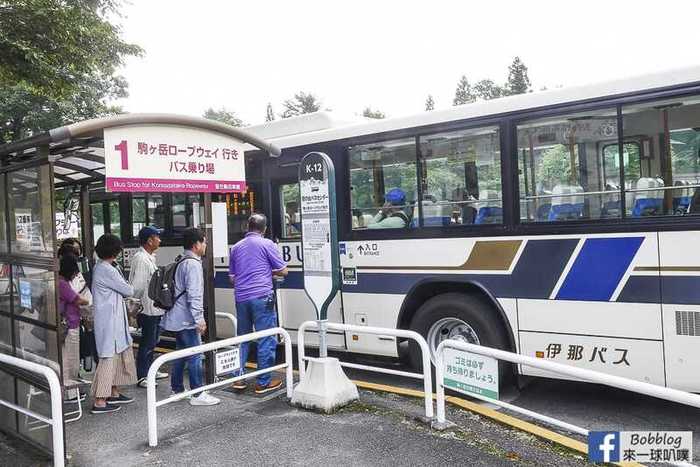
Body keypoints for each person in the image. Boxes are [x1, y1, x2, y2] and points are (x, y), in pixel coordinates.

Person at [160, 227, 220, 406]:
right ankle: (197, 393)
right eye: (204, 241)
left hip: (176, 317)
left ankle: (177, 389)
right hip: (186, 319)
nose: (206, 245)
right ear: (196, 245)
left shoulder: (181, 260)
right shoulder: (193, 264)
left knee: (180, 353)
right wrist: (199, 319)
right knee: (195, 354)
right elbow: (194, 295)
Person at [228, 214, 288, 394]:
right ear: (265, 229)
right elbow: (283, 271)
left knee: (243, 338)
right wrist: (271, 273)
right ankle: (263, 382)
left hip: (241, 298)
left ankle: (238, 379)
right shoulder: (267, 244)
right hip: (262, 297)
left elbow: (232, 278)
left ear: (247, 226)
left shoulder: (236, 247)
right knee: (266, 338)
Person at [90, 234, 137, 414]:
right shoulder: (106, 269)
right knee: (108, 358)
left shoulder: (103, 267)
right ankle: (100, 401)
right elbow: (128, 289)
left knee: (117, 354)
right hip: (109, 321)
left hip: (112, 320)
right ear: (114, 251)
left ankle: (113, 392)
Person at [129, 226, 169, 388]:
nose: (159, 240)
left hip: (153, 307)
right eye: (157, 237)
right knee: (147, 342)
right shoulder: (141, 259)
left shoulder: (148, 257)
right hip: (147, 308)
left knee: (153, 341)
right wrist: (135, 307)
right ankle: (142, 376)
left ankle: (150, 371)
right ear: (149, 240)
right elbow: (137, 286)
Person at [58, 253, 90, 401]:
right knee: (71, 360)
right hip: (70, 325)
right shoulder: (63, 284)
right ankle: (70, 393)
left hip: (68, 325)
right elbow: (79, 300)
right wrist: (85, 297)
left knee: (66, 358)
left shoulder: (59, 281)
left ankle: (69, 391)